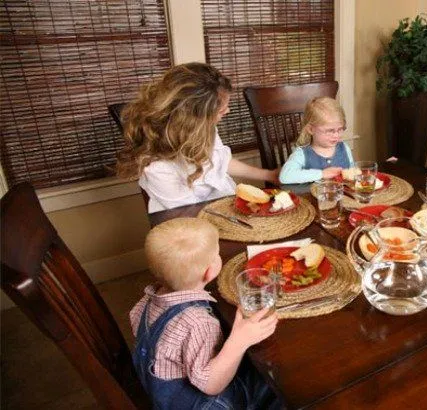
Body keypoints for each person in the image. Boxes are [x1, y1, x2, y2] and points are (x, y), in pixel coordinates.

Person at [130, 217, 280, 409]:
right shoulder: (199, 322)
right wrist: (239, 340)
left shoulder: (147, 299)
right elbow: (211, 385)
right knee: (271, 383)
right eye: (217, 254)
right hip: (202, 403)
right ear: (209, 272)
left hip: (164, 397)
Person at [117, 63, 279, 213]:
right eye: (221, 110)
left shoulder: (203, 129)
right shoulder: (157, 167)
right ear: (192, 118)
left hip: (223, 206)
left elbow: (221, 161)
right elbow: (191, 214)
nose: (228, 110)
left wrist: (269, 175)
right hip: (189, 222)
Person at [279, 97, 354, 184]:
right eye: (330, 131)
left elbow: (353, 172)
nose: (336, 135)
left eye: (340, 129)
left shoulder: (344, 148)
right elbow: (285, 176)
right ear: (311, 129)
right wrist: (322, 174)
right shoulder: (302, 154)